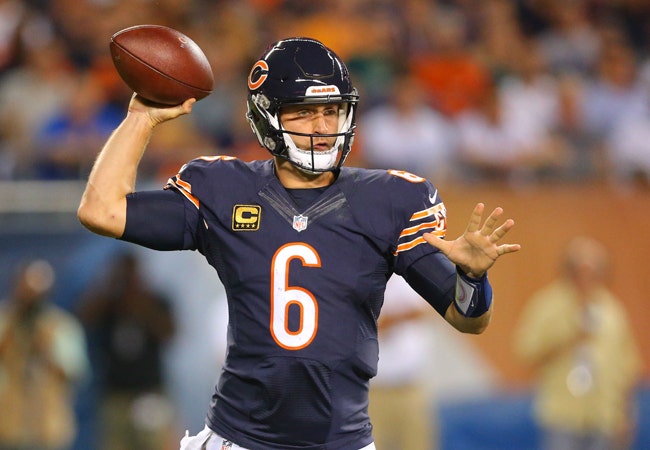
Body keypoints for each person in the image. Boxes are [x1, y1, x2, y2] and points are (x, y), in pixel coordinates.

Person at [77, 37, 520, 450]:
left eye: (332, 111)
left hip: (342, 440)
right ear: (268, 116)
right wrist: (141, 118)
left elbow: (468, 318)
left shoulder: (390, 200)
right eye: (305, 112)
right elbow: (102, 211)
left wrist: (472, 276)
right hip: (240, 438)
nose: (323, 126)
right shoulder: (223, 189)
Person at [514, 236, 642, 450]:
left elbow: (627, 367)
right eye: (581, 267)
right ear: (568, 268)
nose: (587, 274)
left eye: (594, 268)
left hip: (604, 418)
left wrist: (626, 415)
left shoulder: (612, 309)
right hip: (563, 417)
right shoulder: (548, 305)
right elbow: (526, 352)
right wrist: (567, 339)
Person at [76, 251, 177, 450]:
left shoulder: (154, 300)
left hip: (149, 392)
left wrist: (140, 303)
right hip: (116, 393)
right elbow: (84, 317)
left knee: (154, 444)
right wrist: (109, 289)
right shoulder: (109, 303)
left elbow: (170, 333)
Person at [0, 259, 90, 450]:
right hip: (7, 426)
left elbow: (75, 373)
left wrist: (47, 349)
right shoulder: (4, 321)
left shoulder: (60, 326)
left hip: (49, 427)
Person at [368, 275, 438, 450]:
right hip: (373, 389)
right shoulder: (362, 280)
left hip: (410, 385)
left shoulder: (406, 277)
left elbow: (429, 308)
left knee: (418, 443)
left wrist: (393, 319)